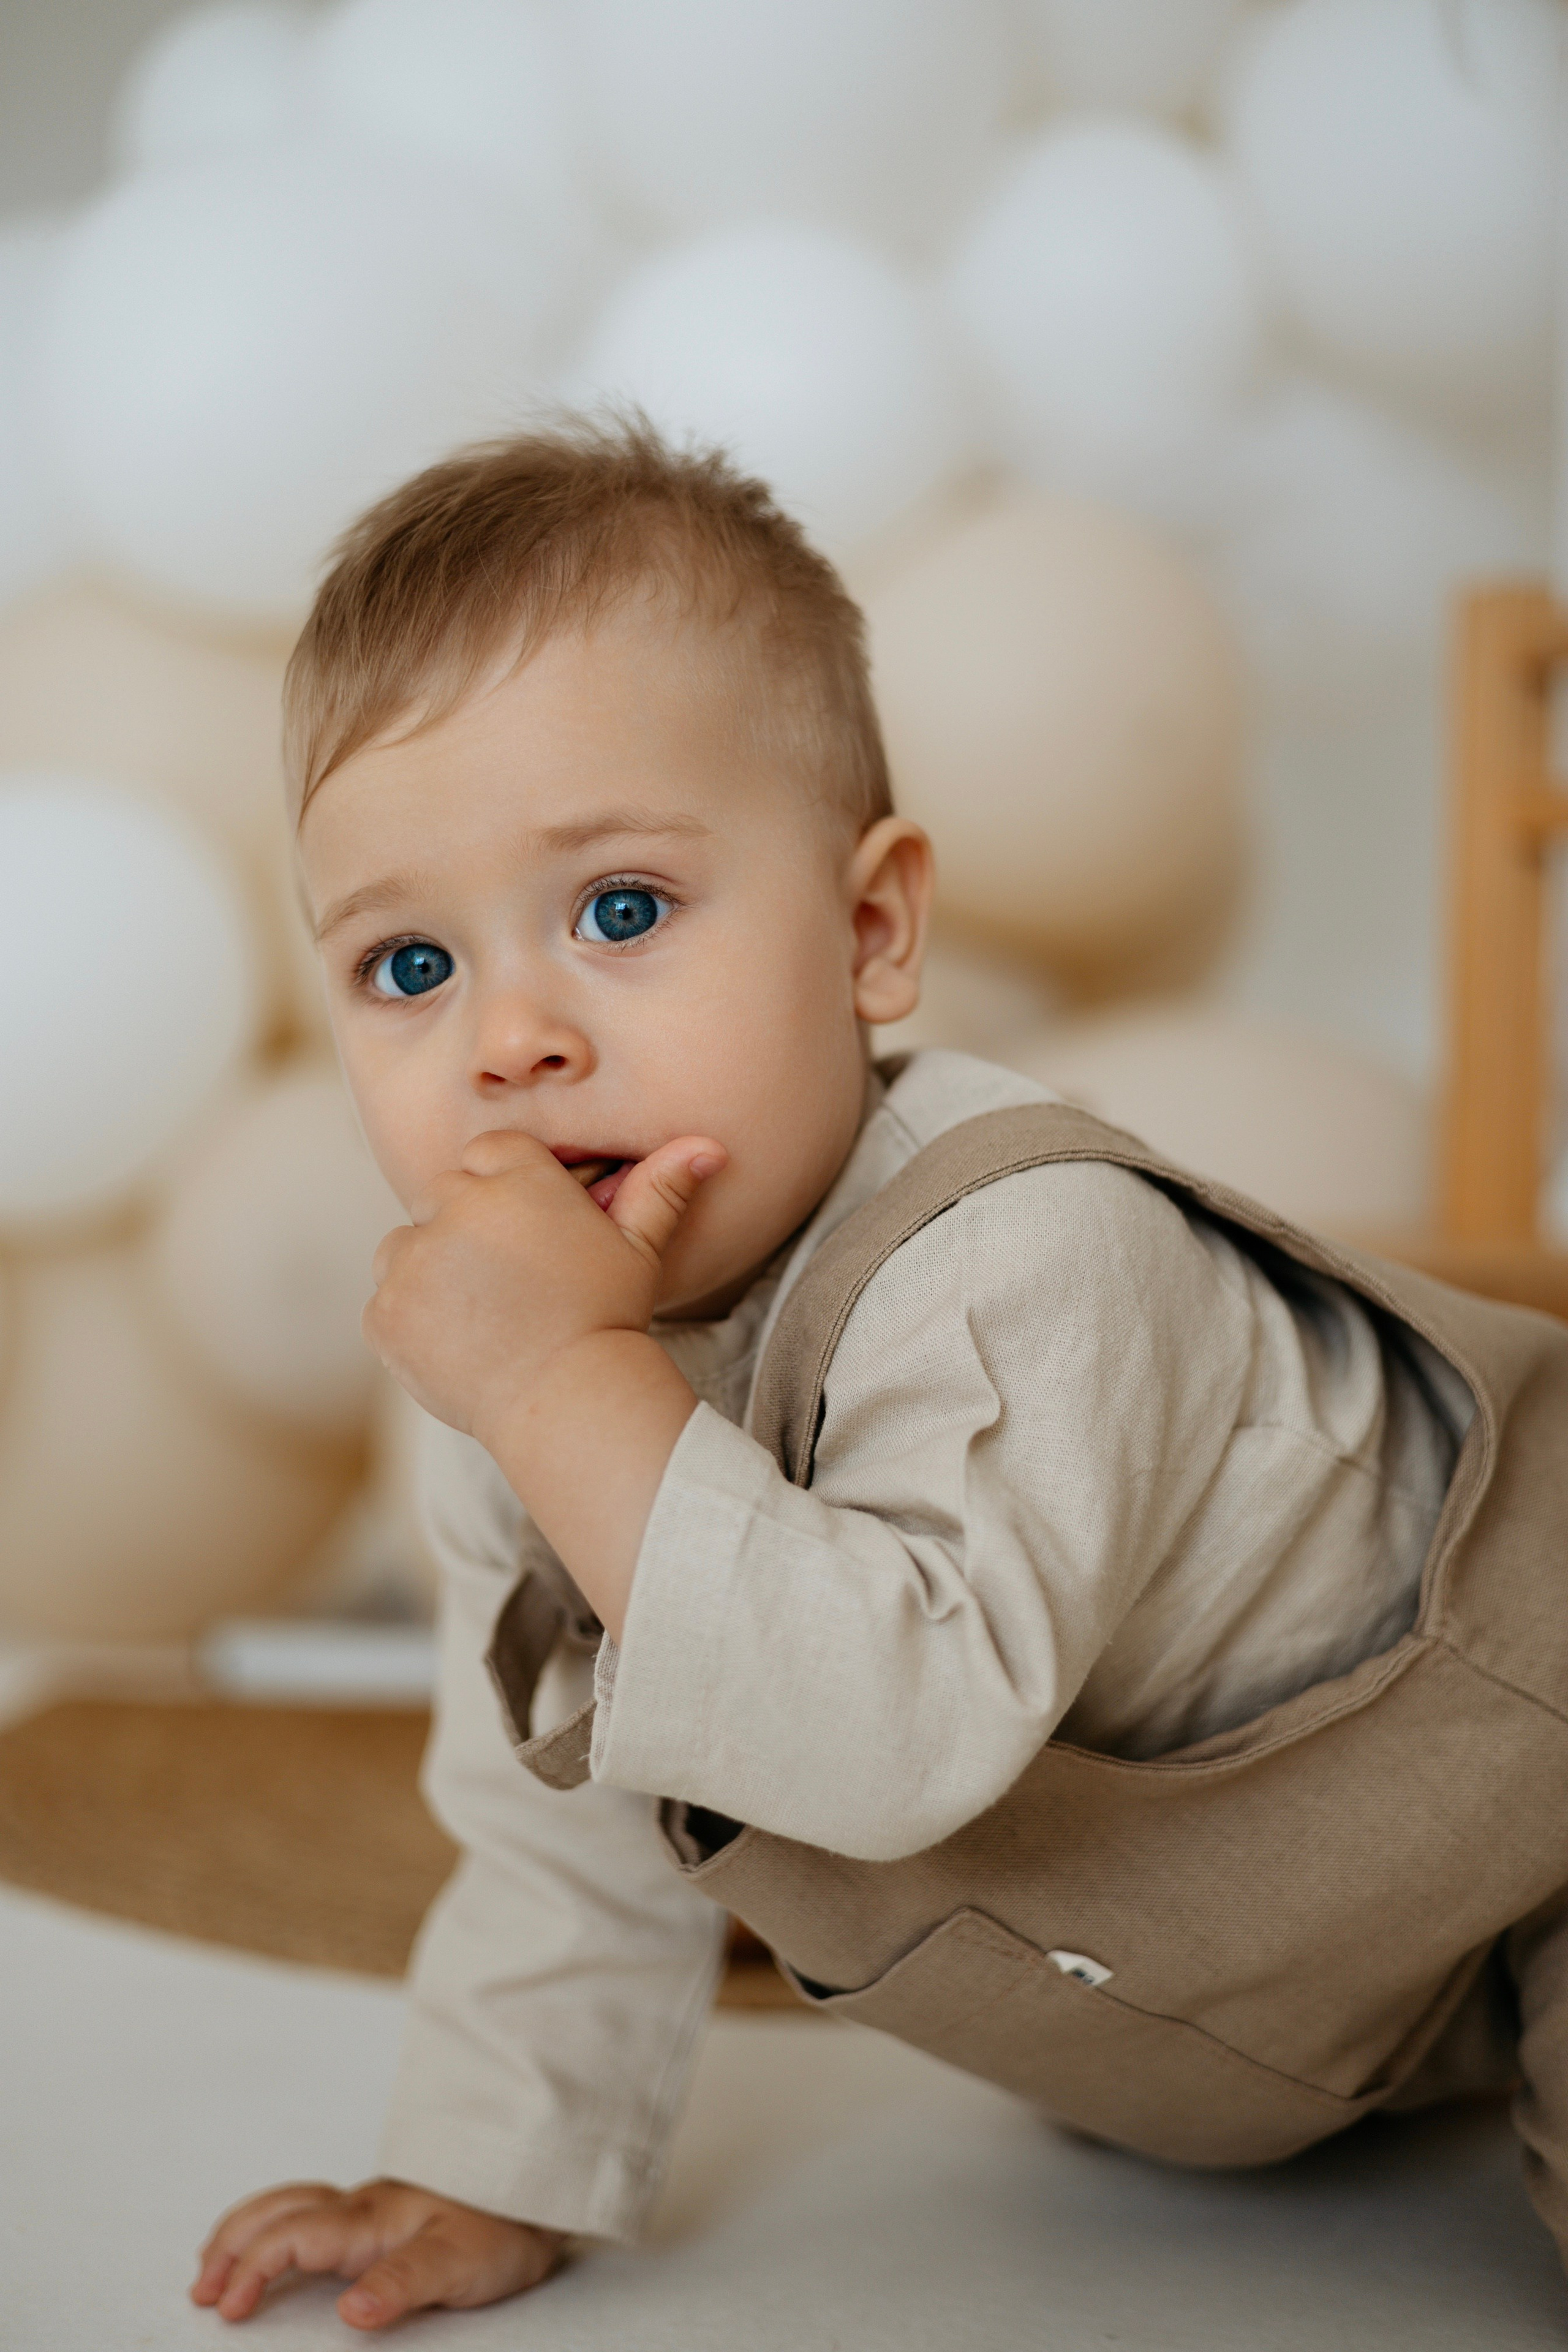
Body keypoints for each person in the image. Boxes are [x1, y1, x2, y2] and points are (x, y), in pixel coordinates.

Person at [192, 418, 1568, 2331]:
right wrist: (491, 2167)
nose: (510, 1038)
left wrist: (568, 1385)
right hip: (1275, 1966)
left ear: (870, 930)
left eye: (618, 912)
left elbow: (884, 1735)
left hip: (1524, 1770)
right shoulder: (530, 1372)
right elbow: (568, 1801)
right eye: (407, 968)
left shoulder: (1026, 1250)